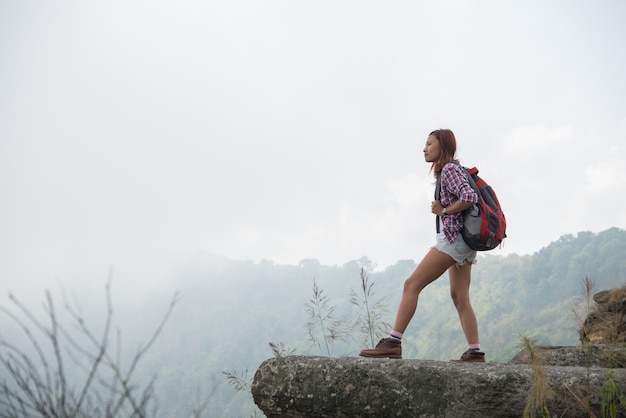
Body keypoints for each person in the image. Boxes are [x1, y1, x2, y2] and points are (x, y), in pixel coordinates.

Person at [359, 129, 485, 362]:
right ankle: (475, 352)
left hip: (453, 240)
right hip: (464, 242)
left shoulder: (449, 169)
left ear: (442, 146)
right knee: (460, 298)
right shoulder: (450, 170)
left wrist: (444, 210)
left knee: (411, 285)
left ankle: (393, 342)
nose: (424, 148)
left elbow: (469, 197)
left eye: (429, 143)